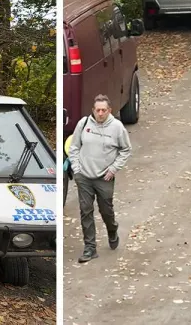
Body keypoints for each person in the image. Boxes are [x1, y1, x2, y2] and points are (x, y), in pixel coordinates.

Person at [69, 94, 131, 263]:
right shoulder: (84, 124)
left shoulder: (117, 127)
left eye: (104, 110)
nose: (101, 113)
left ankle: (112, 229)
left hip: (104, 177)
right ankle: (90, 248)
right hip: (84, 176)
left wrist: (113, 169)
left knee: (106, 210)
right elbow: (74, 147)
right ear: (93, 110)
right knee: (85, 210)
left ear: (109, 110)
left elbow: (125, 150)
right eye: (98, 110)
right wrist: (76, 168)